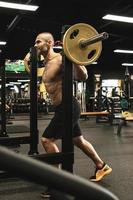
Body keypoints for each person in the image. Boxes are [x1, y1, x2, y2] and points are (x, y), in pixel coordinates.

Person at [34, 32, 112, 184]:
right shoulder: (46, 62)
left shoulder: (60, 59)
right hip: (60, 107)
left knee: (47, 140)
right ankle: (101, 165)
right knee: (78, 140)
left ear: (49, 43)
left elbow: (83, 77)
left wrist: (72, 55)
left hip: (68, 106)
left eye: (38, 42)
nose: (36, 45)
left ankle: (57, 181)